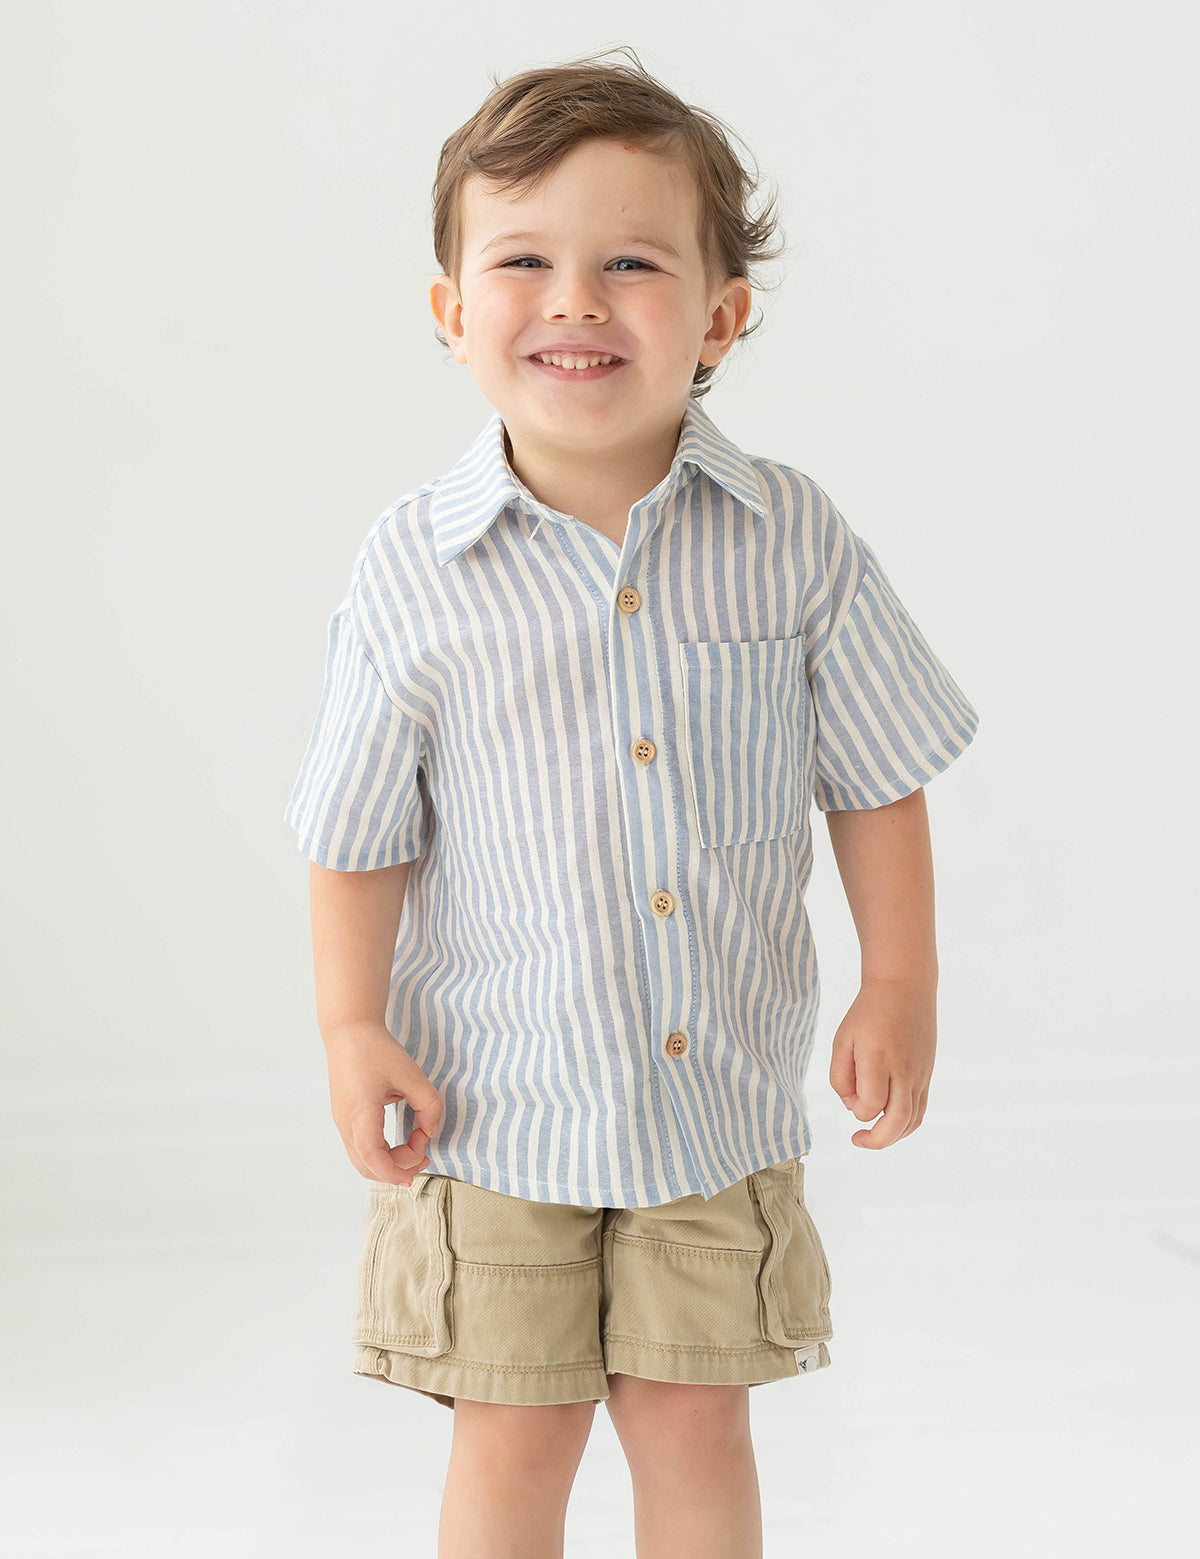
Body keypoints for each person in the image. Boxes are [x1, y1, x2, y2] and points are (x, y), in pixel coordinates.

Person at [284, 46, 980, 1559]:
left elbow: (875, 775)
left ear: (721, 317)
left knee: (691, 1423)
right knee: (514, 1437)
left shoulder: (791, 539)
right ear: (452, 313)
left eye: (633, 263)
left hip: (709, 1105)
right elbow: (356, 834)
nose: (577, 301)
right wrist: (351, 1025)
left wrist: (902, 979)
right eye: (523, 259)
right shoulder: (415, 570)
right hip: (492, 1110)